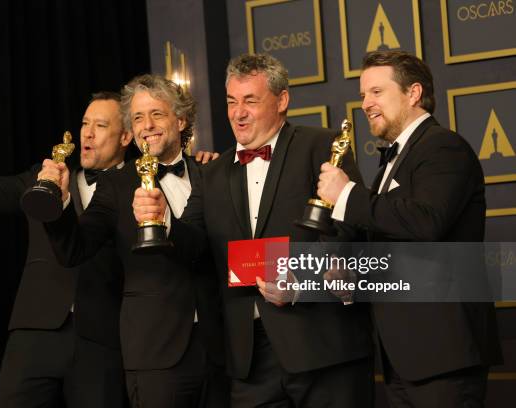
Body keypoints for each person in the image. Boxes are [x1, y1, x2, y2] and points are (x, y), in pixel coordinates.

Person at [134, 53, 375, 407]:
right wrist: (163, 221)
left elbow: (348, 232)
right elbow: (195, 246)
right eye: (232, 102)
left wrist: (301, 282)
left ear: (282, 101)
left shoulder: (320, 146)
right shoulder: (212, 174)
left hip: (321, 348)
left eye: (250, 101)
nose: (238, 113)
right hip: (248, 359)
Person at [317, 50, 503, 407]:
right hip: (402, 357)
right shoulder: (394, 158)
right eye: (362, 95)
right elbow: (392, 239)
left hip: (443, 354)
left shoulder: (444, 147)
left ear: (413, 93)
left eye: (376, 92)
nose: (366, 104)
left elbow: (426, 221)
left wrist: (347, 193)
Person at [0, 91, 132, 407]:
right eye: (84, 123)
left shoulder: (141, 187)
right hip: (34, 332)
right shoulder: (43, 177)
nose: (88, 133)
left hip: (102, 340)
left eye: (101, 125)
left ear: (126, 137)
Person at [40, 74, 226, 407]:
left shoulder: (211, 172)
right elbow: (74, 249)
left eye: (157, 114)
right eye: (138, 117)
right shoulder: (115, 185)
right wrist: (61, 202)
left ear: (181, 120)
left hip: (222, 349)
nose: (146, 125)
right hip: (156, 353)